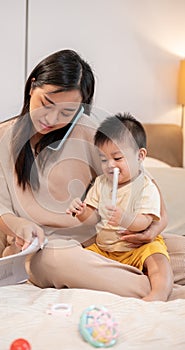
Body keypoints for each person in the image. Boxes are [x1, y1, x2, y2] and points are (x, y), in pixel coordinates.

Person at [0, 49, 185, 300]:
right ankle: (164, 291)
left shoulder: (92, 133)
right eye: (47, 103)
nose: (52, 119)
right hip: (44, 251)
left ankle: (144, 278)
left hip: (102, 244)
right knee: (58, 260)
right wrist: (20, 225)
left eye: (67, 113)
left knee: (178, 249)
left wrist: (157, 226)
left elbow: (142, 184)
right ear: (33, 86)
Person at [67, 113, 173, 301]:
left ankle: (159, 292)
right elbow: (93, 219)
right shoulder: (100, 183)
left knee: (158, 257)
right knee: (79, 256)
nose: (110, 166)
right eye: (104, 159)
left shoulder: (145, 186)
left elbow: (145, 221)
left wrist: (125, 219)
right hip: (105, 249)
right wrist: (82, 212)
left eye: (117, 158)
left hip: (136, 248)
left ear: (140, 156)